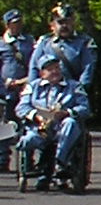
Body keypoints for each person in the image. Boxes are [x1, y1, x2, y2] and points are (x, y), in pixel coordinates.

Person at [14, 53, 89, 189]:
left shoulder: (74, 86)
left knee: (70, 123)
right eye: (50, 69)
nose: (55, 71)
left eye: (57, 68)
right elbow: (21, 107)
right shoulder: (33, 87)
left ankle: (59, 162)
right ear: (42, 73)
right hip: (39, 127)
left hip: (63, 127)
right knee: (27, 140)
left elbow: (84, 107)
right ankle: (33, 168)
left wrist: (67, 113)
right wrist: (36, 116)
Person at [31, 3, 98, 94]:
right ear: (53, 24)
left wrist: (79, 91)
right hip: (47, 93)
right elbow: (34, 68)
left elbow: (88, 70)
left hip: (75, 93)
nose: (64, 26)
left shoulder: (84, 42)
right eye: (60, 22)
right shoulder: (44, 42)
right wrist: (34, 91)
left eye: (67, 22)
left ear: (73, 22)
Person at [0, 8, 30, 171]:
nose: (18, 26)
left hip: (26, 88)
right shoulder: (1, 44)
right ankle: (3, 159)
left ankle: (27, 160)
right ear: (7, 25)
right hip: (6, 90)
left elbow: (35, 65)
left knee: (28, 124)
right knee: (5, 124)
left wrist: (23, 81)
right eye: (14, 23)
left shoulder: (28, 42)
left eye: (19, 23)